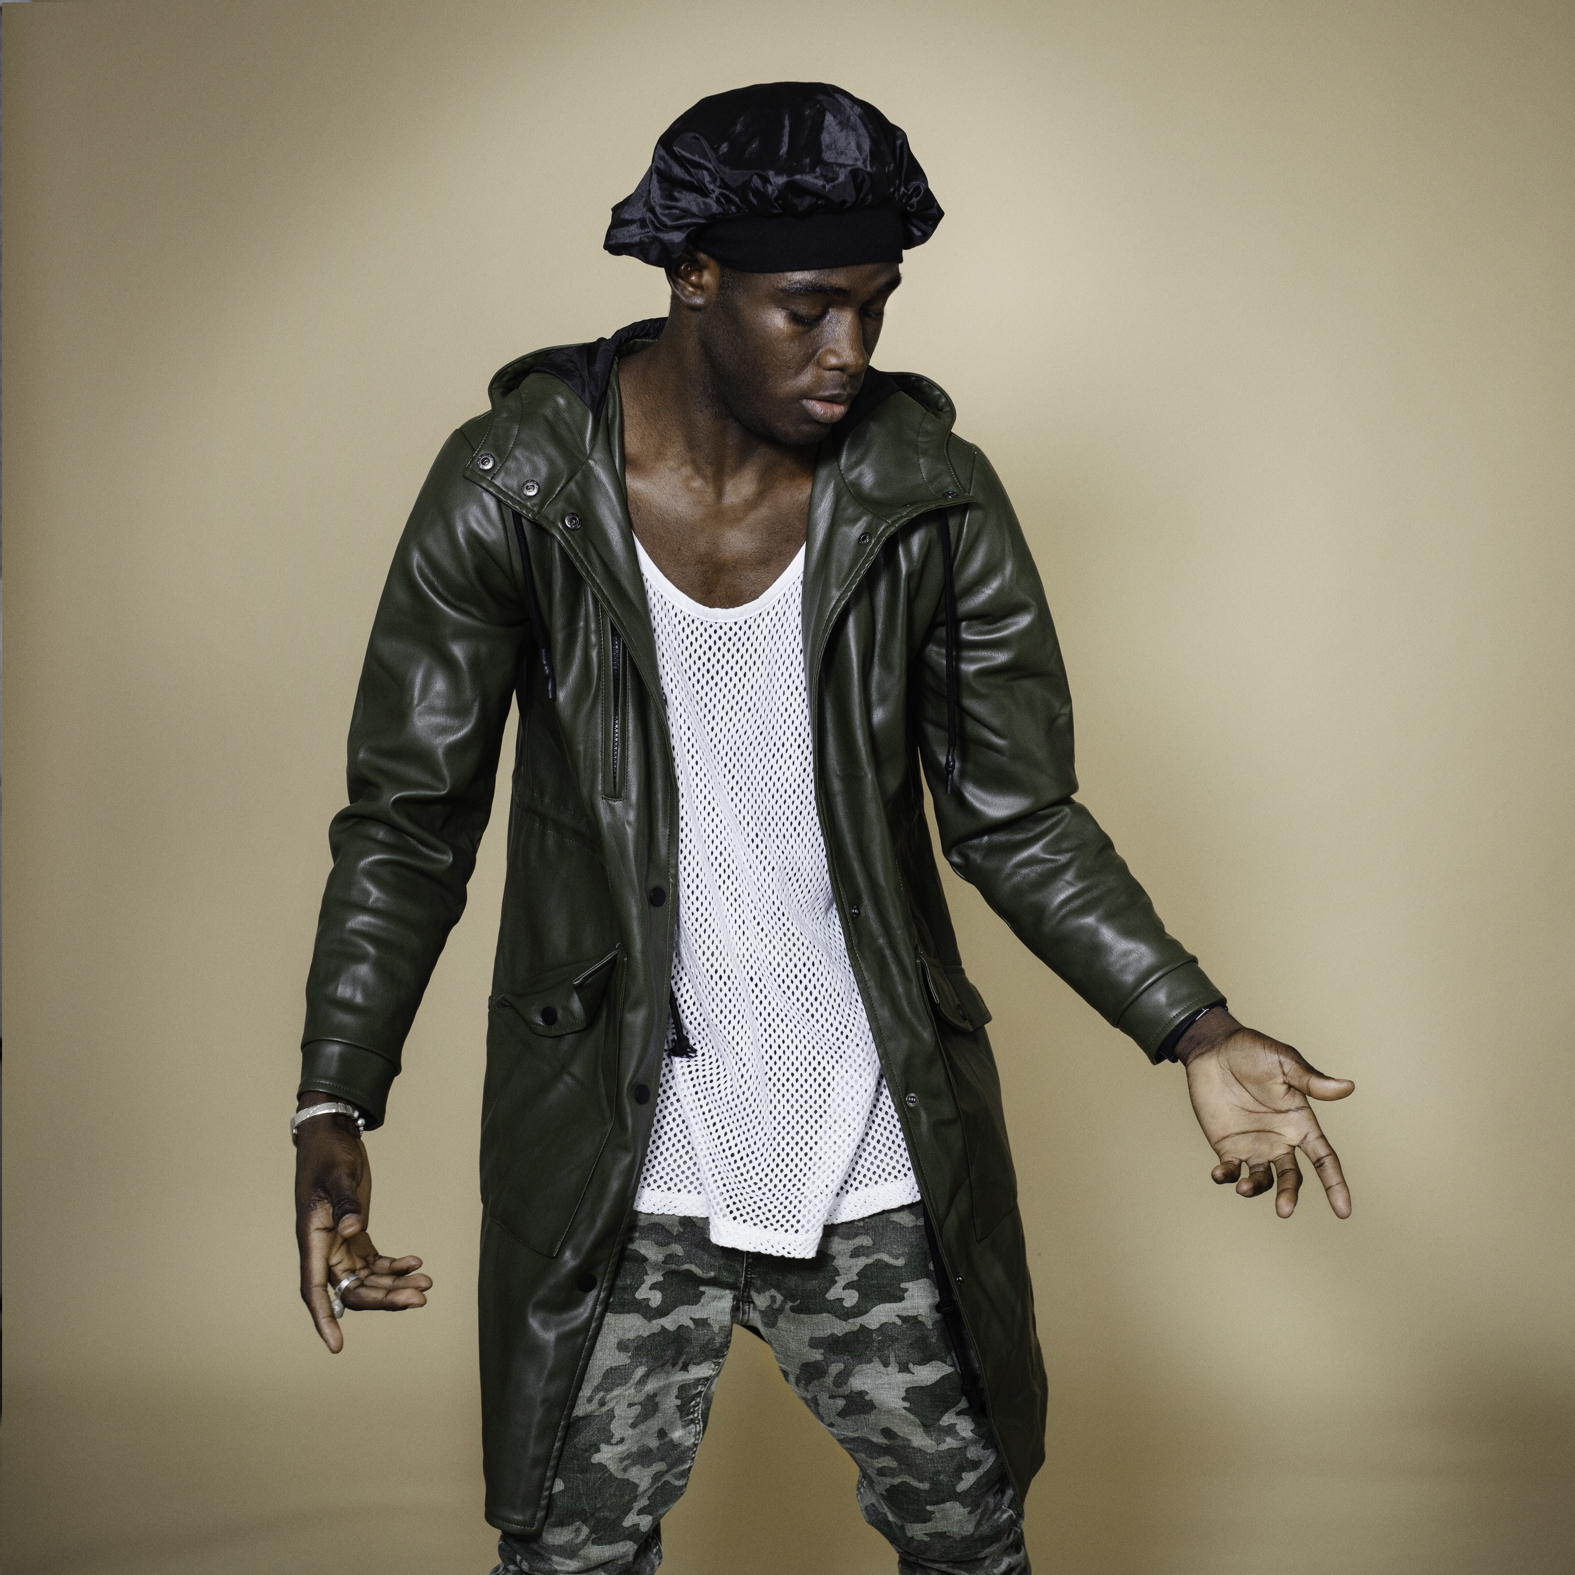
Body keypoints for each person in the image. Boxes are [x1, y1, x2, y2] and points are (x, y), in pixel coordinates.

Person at [291, 82, 1355, 1575]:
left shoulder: (929, 496)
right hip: (616, 1153)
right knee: (568, 1559)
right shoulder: (515, 485)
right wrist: (332, 1101)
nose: (850, 350)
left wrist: (1195, 1027)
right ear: (694, 276)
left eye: (875, 304)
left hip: (871, 1133)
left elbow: (1016, 813)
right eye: (809, 310)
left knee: (970, 1541)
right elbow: (410, 819)